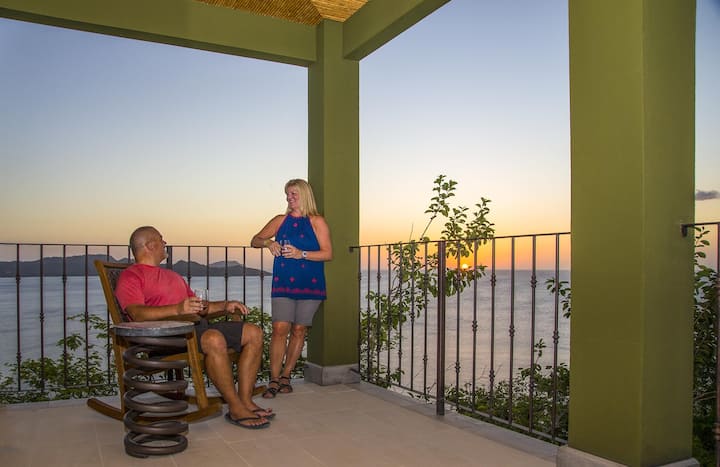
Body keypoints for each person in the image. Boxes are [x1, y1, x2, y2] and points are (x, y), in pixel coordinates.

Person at [114, 226, 274, 429]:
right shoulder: (131, 276)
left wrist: (225, 305)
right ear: (150, 245)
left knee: (253, 333)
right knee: (213, 338)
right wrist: (178, 309)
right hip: (165, 338)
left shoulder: (172, 276)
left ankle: (245, 400)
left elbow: (199, 308)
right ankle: (235, 408)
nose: (165, 243)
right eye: (161, 239)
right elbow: (137, 313)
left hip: (196, 329)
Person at [251, 179, 333, 398]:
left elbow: (327, 253)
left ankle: (286, 376)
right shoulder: (280, 220)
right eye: (287, 194)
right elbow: (255, 240)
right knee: (280, 328)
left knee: (299, 330)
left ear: (305, 194)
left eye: (293, 193)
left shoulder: (317, 221)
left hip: (311, 284)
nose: (289, 197)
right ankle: (273, 378)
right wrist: (268, 243)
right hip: (283, 283)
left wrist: (301, 254)